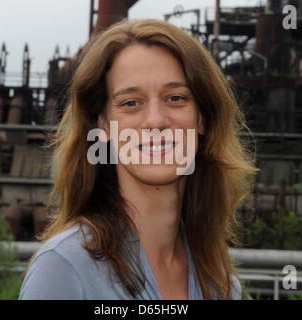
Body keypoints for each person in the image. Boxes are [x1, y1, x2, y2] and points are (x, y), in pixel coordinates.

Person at [18, 18, 258, 300]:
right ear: (103, 126)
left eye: (176, 98)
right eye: (131, 103)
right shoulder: (65, 268)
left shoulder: (220, 285)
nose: (155, 121)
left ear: (202, 118)